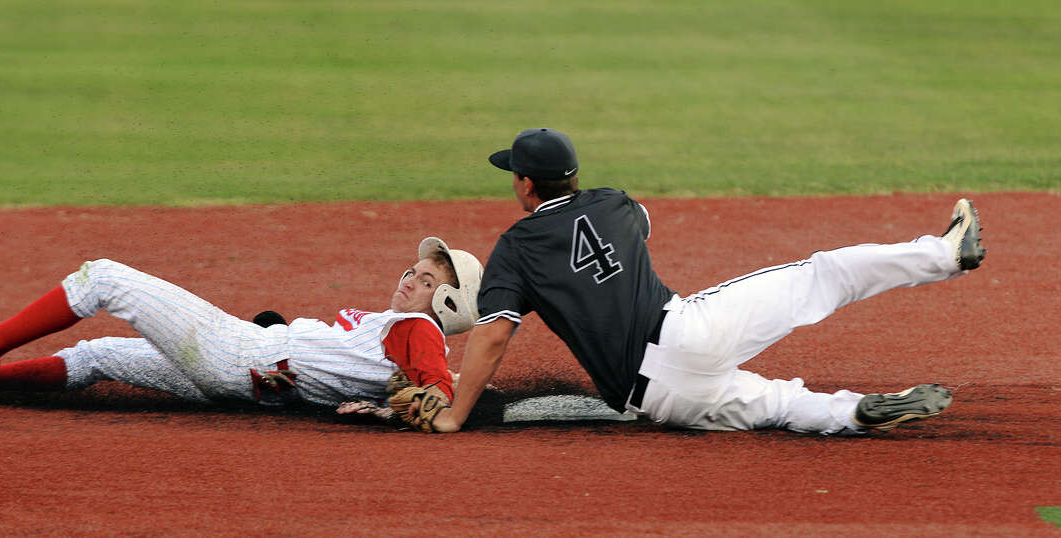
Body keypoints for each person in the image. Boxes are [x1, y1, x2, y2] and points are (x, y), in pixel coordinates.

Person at [422, 127, 985, 435]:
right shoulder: (615, 203)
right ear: (573, 176)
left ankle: (854, 414)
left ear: (525, 186)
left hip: (661, 399)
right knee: (822, 277)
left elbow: (494, 334)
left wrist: (454, 416)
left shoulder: (515, 248)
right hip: (688, 331)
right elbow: (641, 226)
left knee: (779, 406)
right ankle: (944, 254)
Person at [0, 237, 484, 412]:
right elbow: (342, 361)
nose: (412, 278)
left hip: (234, 355)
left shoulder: (420, 331)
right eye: (414, 269)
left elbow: (439, 392)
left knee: (104, 278)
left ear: (448, 307)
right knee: (96, 356)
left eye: (429, 281)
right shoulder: (390, 325)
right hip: (245, 383)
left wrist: (392, 409)